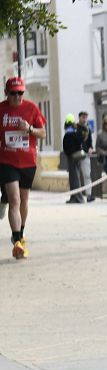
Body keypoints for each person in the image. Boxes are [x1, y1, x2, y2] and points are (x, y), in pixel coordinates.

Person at [0, 77, 47, 259]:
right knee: (15, 199)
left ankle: (21, 231)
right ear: (7, 93)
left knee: (24, 201)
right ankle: (17, 240)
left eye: (20, 93)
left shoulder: (31, 108)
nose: (18, 97)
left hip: (28, 162)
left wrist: (29, 129)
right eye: (14, 93)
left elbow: (43, 133)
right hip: (7, 161)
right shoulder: (1, 109)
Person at [62, 114, 85, 203]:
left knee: (74, 177)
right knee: (76, 176)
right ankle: (76, 197)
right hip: (77, 157)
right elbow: (82, 139)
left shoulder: (68, 134)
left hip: (71, 157)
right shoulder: (76, 133)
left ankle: (77, 197)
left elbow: (66, 147)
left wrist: (69, 154)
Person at [76, 111, 96, 202]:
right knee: (76, 175)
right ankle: (77, 195)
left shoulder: (88, 128)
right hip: (76, 154)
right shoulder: (75, 128)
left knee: (87, 175)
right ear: (79, 117)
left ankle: (89, 195)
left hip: (86, 154)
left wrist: (91, 148)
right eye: (83, 117)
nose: (84, 119)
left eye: (85, 117)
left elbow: (90, 142)